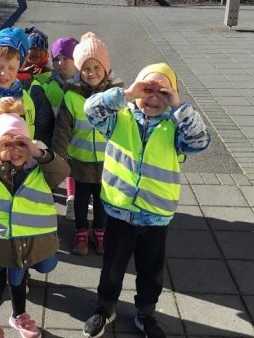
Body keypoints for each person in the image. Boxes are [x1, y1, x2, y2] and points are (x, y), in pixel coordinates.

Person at [82, 63, 211, 338]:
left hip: (156, 215)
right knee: (112, 268)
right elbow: (90, 109)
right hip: (119, 210)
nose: (153, 97)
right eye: (147, 89)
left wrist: (178, 107)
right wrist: (127, 94)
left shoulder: (175, 126)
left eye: (162, 92)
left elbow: (200, 141)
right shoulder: (119, 118)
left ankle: (146, 314)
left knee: (151, 271)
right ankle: (105, 308)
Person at [0, 99, 70, 338]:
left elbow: (62, 171)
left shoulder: (39, 170)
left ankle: (19, 315)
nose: (15, 149)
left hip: (26, 244)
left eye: (21, 143)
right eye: (6, 144)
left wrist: (38, 152)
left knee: (19, 283)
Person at [52, 33, 123, 256]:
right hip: (79, 160)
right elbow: (63, 128)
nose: (91, 73)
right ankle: (81, 231)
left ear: (106, 68)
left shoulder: (116, 95)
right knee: (81, 200)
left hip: (107, 161)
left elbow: (125, 127)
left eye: (96, 67)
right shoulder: (72, 95)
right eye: (86, 69)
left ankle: (100, 231)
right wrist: (58, 156)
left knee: (103, 200)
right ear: (79, 71)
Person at [43, 37, 78, 220]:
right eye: (56, 59)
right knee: (57, 167)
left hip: (79, 136)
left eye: (66, 58)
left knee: (77, 170)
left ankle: (74, 200)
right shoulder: (48, 87)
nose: (60, 63)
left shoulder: (83, 84)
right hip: (56, 136)